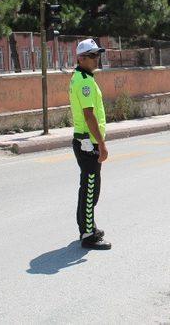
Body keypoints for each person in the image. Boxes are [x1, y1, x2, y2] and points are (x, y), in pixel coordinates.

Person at [69, 38, 111, 250]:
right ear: (81, 58)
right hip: (88, 142)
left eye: (98, 55)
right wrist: (101, 144)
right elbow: (89, 115)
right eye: (93, 56)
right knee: (90, 188)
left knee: (88, 187)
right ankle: (88, 235)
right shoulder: (84, 81)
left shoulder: (82, 76)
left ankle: (87, 226)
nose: (97, 59)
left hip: (85, 140)